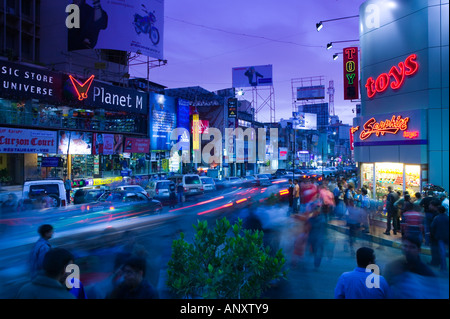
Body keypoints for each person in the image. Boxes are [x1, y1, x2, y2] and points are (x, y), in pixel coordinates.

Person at [430, 206, 449, 271]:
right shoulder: (447, 217)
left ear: (438, 211)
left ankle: (443, 267)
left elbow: (432, 227)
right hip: (447, 236)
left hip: (440, 236)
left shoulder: (436, 218)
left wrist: (432, 235)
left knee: (442, 252)